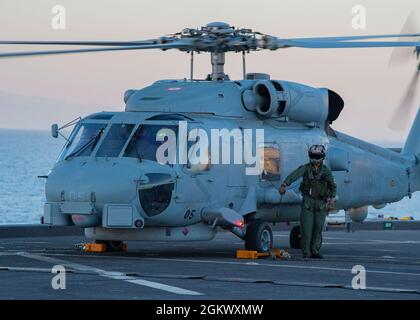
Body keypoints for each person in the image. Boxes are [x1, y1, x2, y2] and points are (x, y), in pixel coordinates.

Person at [279, 145, 336, 260]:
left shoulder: (326, 171)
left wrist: (331, 200)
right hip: (308, 202)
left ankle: (314, 251)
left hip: (321, 203)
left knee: (318, 229)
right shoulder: (305, 168)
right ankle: (306, 252)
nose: (315, 158)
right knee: (306, 229)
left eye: (317, 156)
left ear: (322, 157)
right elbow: (295, 175)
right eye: (313, 156)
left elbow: (333, 185)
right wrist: (284, 184)